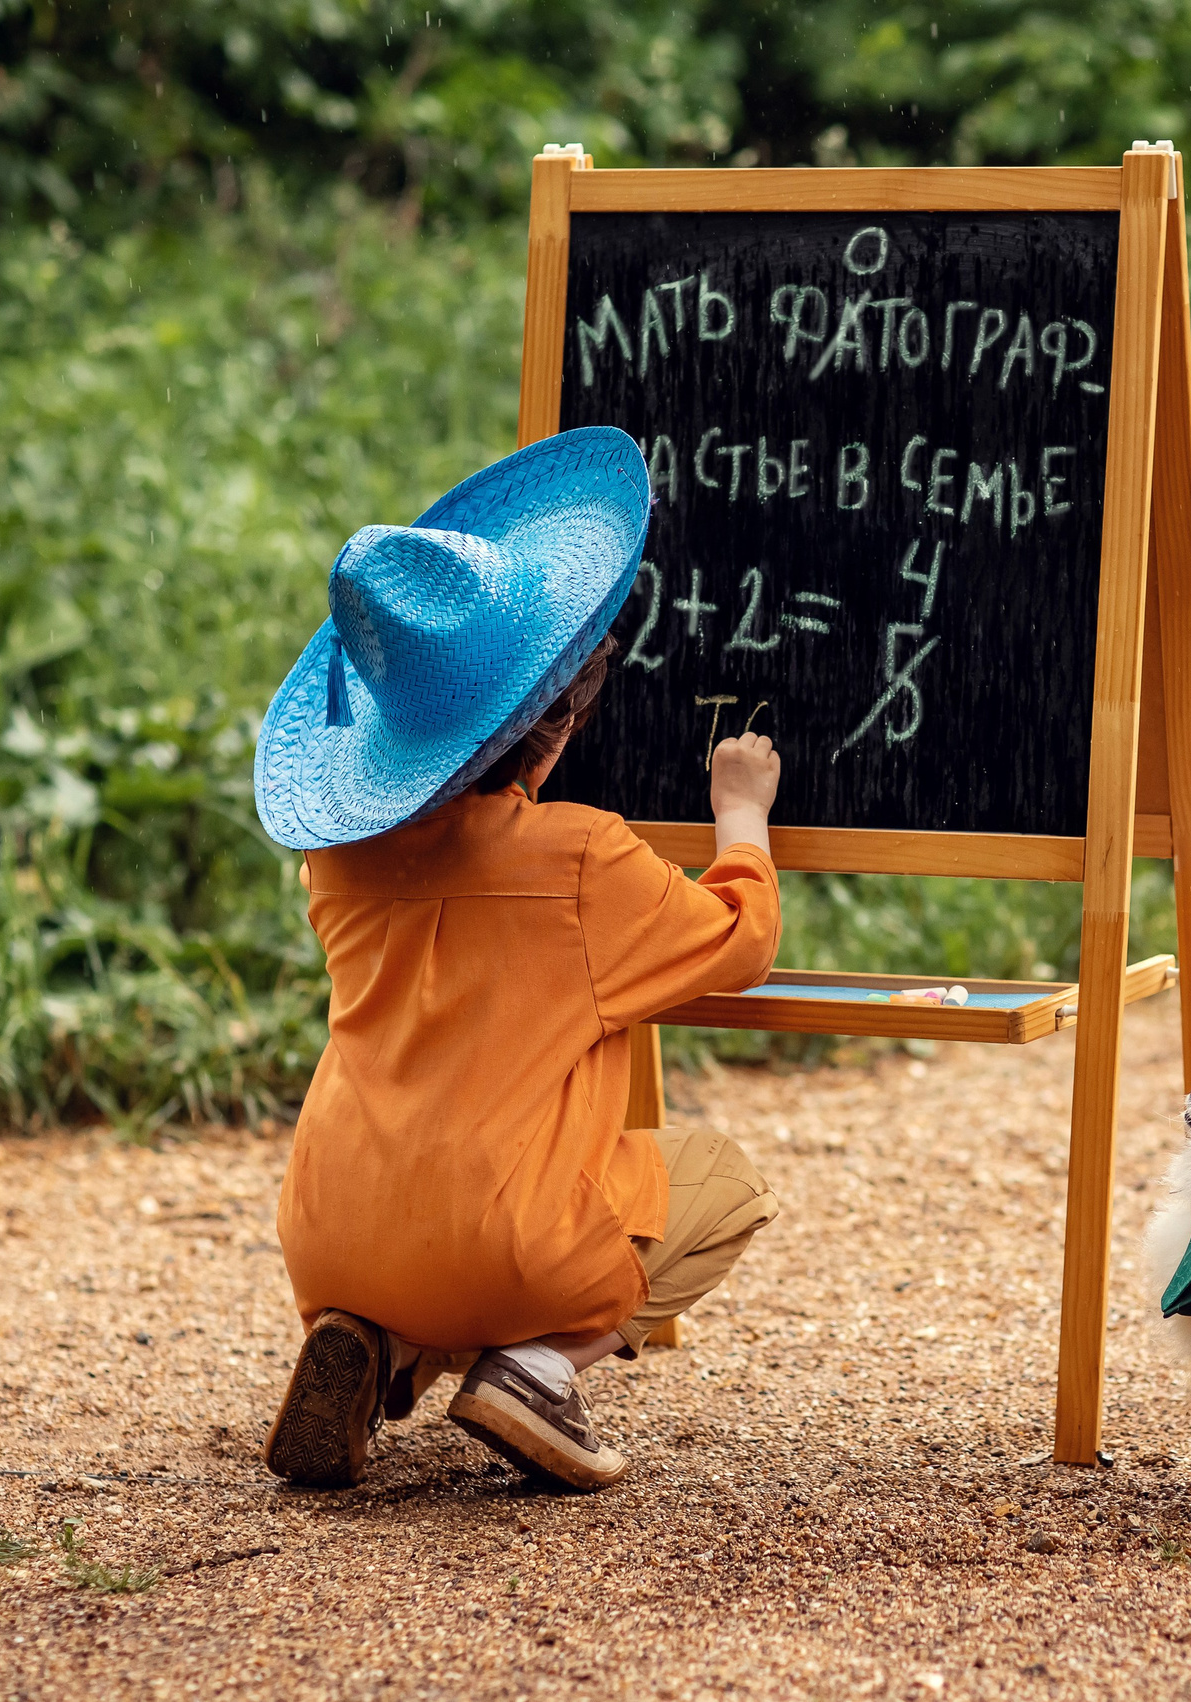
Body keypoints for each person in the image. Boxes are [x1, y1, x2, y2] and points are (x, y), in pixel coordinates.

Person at [247, 427, 784, 1490]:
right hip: (507, 1246)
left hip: (330, 1234)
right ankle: (534, 1371)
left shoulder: (334, 863)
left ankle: (381, 1349)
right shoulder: (582, 862)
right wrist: (742, 816)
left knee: (429, 1229)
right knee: (722, 1184)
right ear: (566, 710)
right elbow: (744, 940)